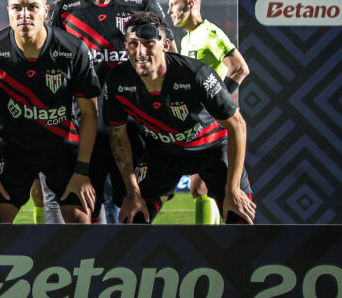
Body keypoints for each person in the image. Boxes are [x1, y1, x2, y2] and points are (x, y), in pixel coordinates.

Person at [50, 0, 170, 225]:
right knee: (81, 218)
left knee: (135, 215)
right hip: (83, 129)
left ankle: (128, 270)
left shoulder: (142, 5)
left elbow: (167, 62)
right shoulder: (66, 10)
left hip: (133, 128)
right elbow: (52, 70)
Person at [105, 12, 256, 224]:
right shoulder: (117, 82)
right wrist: (132, 193)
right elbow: (118, 134)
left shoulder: (196, 74)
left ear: (165, 45)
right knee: (134, 219)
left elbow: (237, 125)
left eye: (149, 43)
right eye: (133, 44)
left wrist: (232, 191)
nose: (140, 52)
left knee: (240, 216)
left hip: (211, 149)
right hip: (163, 154)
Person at [0, 0, 100, 224]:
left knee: (80, 222)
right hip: (14, 154)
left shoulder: (73, 49)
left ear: (46, 11)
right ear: (8, 10)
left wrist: (82, 171)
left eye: (32, 7)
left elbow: (89, 113)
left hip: (63, 151)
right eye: (17, 7)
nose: (24, 14)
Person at [168, 0, 251, 224]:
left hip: (215, 125)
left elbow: (240, 67)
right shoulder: (186, 39)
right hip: (199, 125)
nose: (169, 10)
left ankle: (218, 241)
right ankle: (211, 241)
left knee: (207, 188)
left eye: (174, 4)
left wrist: (218, 102)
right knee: (199, 188)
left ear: (190, 4)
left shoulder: (210, 33)